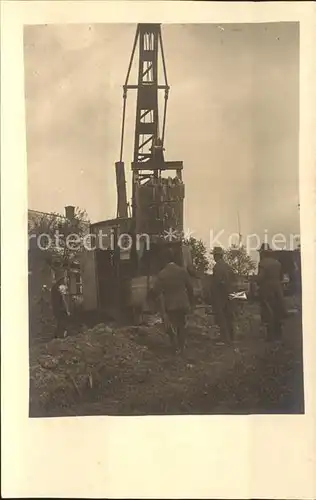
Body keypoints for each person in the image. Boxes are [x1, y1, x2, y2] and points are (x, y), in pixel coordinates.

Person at [149, 246, 194, 354]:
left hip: (171, 305)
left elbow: (155, 290)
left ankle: (175, 346)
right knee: (181, 325)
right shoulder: (182, 271)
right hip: (183, 303)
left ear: (164, 260)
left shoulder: (162, 274)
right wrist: (191, 302)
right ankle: (182, 347)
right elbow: (190, 288)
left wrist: (151, 298)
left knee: (171, 326)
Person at [257, 243, 286, 341]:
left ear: (263, 253)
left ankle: (271, 336)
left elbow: (261, 278)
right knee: (277, 310)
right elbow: (281, 277)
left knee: (268, 312)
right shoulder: (277, 263)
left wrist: (255, 280)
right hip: (278, 289)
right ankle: (279, 335)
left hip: (267, 290)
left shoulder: (262, 263)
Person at [211, 246, 235, 344]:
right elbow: (233, 280)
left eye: (214, 255)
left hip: (220, 295)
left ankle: (224, 339)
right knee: (229, 316)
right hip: (230, 294)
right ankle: (231, 337)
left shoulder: (217, 267)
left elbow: (216, 283)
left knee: (221, 317)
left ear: (216, 256)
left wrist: (212, 294)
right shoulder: (228, 267)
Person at [51, 270, 70, 338]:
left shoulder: (54, 287)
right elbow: (63, 299)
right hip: (61, 309)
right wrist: (67, 309)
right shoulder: (60, 287)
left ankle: (57, 336)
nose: (66, 279)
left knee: (59, 323)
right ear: (61, 279)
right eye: (65, 278)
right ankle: (61, 337)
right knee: (63, 323)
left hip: (56, 308)